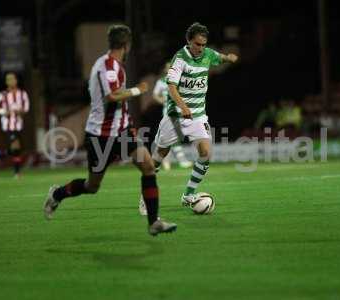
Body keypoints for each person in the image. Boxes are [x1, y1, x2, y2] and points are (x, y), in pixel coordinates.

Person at [43, 24, 177, 236]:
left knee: (148, 166)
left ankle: (154, 222)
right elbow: (112, 96)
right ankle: (57, 194)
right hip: (101, 135)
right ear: (127, 45)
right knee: (92, 185)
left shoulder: (112, 65)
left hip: (123, 131)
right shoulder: (108, 66)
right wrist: (137, 90)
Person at [140, 22, 238, 215]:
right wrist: (183, 106)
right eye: (198, 44)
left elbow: (219, 57)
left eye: (203, 44)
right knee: (158, 157)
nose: (201, 48)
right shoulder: (179, 59)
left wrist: (229, 57)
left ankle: (188, 194)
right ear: (189, 41)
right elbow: (171, 87)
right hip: (176, 116)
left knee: (206, 153)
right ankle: (145, 196)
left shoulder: (208, 54)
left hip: (198, 116)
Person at [152, 62, 192, 170]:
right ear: (165, 69)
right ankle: (181, 160)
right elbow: (155, 95)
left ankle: (162, 160)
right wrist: (162, 101)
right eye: (168, 67)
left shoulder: (179, 80)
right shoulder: (161, 82)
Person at [0, 72, 30, 178]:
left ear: (16, 80)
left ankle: (1, 154)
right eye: (8, 79)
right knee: (16, 146)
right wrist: (3, 111)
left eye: (12, 79)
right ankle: (17, 173)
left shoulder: (22, 94)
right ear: (6, 82)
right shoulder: (3, 94)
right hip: (8, 125)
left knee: (16, 150)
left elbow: (26, 109)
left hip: (18, 125)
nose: (11, 81)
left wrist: (19, 111)